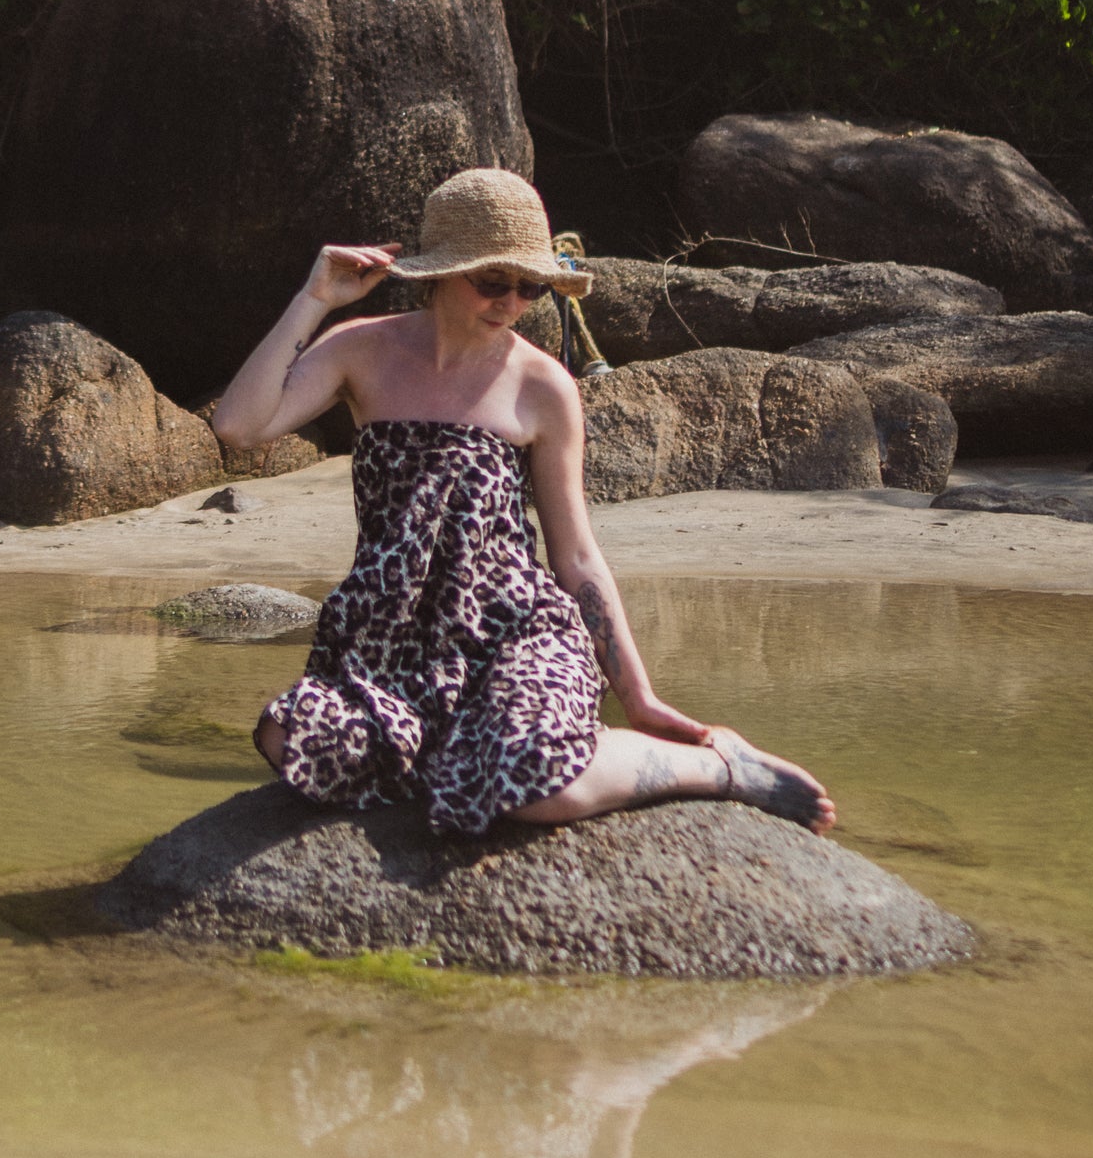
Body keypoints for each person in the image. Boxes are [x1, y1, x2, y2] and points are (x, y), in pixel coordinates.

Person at [213, 166, 835, 839]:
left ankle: (716, 766)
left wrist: (639, 697)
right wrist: (314, 300)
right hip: (389, 642)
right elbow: (239, 427)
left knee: (535, 785)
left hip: (515, 632)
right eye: (492, 281)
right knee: (289, 737)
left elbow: (578, 555)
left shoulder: (544, 385)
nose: (511, 302)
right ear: (441, 272)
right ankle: (462, 752)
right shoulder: (360, 348)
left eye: (530, 287)